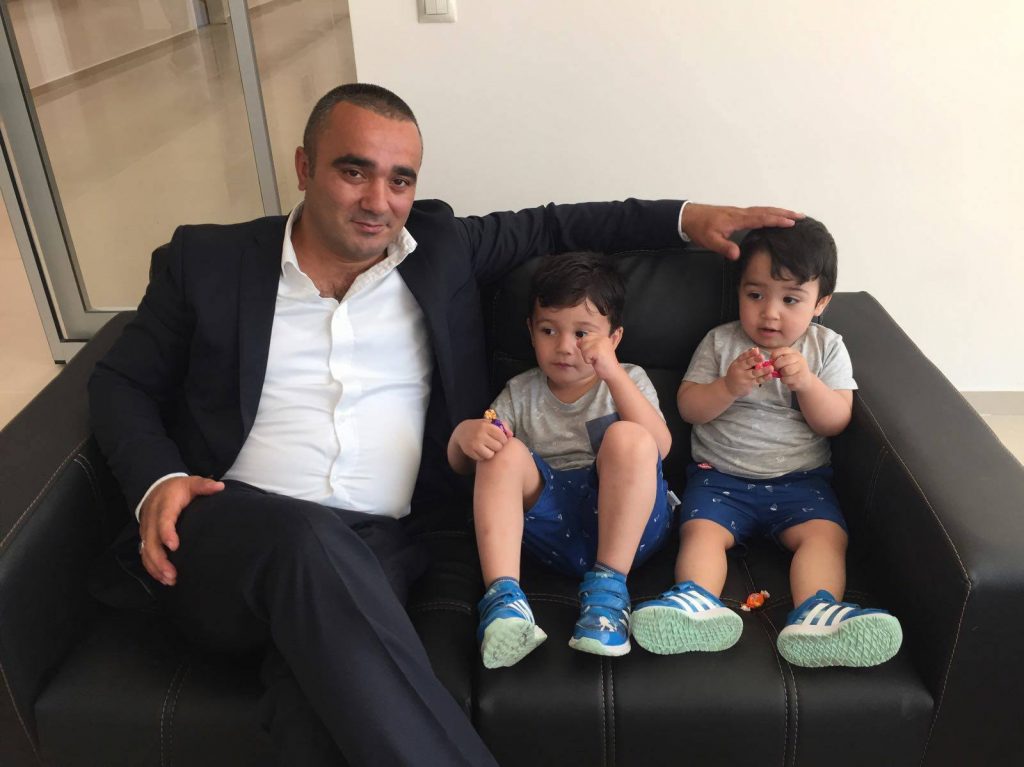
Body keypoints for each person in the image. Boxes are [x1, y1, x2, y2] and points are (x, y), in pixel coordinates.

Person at [88, 81, 804, 765]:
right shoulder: (208, 261)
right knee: (308, 541)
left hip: (379, 543)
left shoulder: (438, 248)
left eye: (400, 180)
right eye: (353, 171)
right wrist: (157, 480)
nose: (379, 201)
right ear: (304, 168)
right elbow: (121, 381)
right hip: (232, 530)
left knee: (315, 705)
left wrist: (686, 217)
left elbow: (559, 224)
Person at [630, 217, 903, 668]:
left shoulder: (826, 347)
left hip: (800, 481)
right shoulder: (720, 343)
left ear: (821, 303)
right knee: (700, 533)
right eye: (755, 295)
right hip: (719, 480)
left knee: (825, 537)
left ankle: (818, 612)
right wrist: (728, 387)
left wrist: (808, 385)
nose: (770, 313)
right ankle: (695, 602)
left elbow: (836, 421)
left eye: (790, 299)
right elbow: (689, 408)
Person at [448, 253, 673, 667]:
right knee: (500, 450)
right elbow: (472, 464)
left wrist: (613, 375)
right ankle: (504, 601)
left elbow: (660, 448)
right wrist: (464, 436)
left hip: (628, 526)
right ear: (530, 331)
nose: (565, 347)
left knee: (629, 437)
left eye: (582, 333)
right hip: (551, 527)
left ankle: (608, 595)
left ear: (614, 339)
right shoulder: (520, 392)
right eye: (548, 330)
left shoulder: (629, 379)